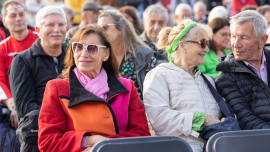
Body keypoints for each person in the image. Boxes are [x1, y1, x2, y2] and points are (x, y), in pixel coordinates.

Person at [38, 24, 150, 152]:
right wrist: (90, 140)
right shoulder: (57, 88)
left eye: (92, 48)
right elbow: (48, 141)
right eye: (78, 47)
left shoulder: (127, 87)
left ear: (106, 54)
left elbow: (142, 134)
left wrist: (107, 145)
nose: (83, 54)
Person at [143, 19, 222, 152]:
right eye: (202, 43)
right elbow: (159, 120)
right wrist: (202, 119)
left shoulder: (209, 81)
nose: (207, 49)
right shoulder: (158, 75)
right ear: (183, 45)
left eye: (208, 43)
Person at [9, 6, 67, 151]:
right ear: (38, 30)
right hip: (40, 136)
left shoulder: (76, 57)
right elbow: (25, 108)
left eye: (61, 24)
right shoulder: (22, 60)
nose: (57, 30)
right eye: (50, 25)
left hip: (75, 133)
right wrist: (62, 119)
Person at [215, 10, 270, 130]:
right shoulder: (226, 76)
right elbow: (245, 119)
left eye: (244, 38)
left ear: (262, 40)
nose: (235, 44)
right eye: (233, 36)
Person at [98, 10, 157, 100]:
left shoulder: (144, 55)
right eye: (98, 28)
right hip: (107, 110)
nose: (100, 32)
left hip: (138, 110)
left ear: (120, 29)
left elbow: (155, 90)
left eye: (104, 27)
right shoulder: (98, 55)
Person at [0, 0, 39, 129]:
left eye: (21, 15)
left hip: (41, 101)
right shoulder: (2, 48)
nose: (18, 19)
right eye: (12, 16)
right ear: (4, 21)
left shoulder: (41, 41)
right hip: (11, 105)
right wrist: (12, 105)